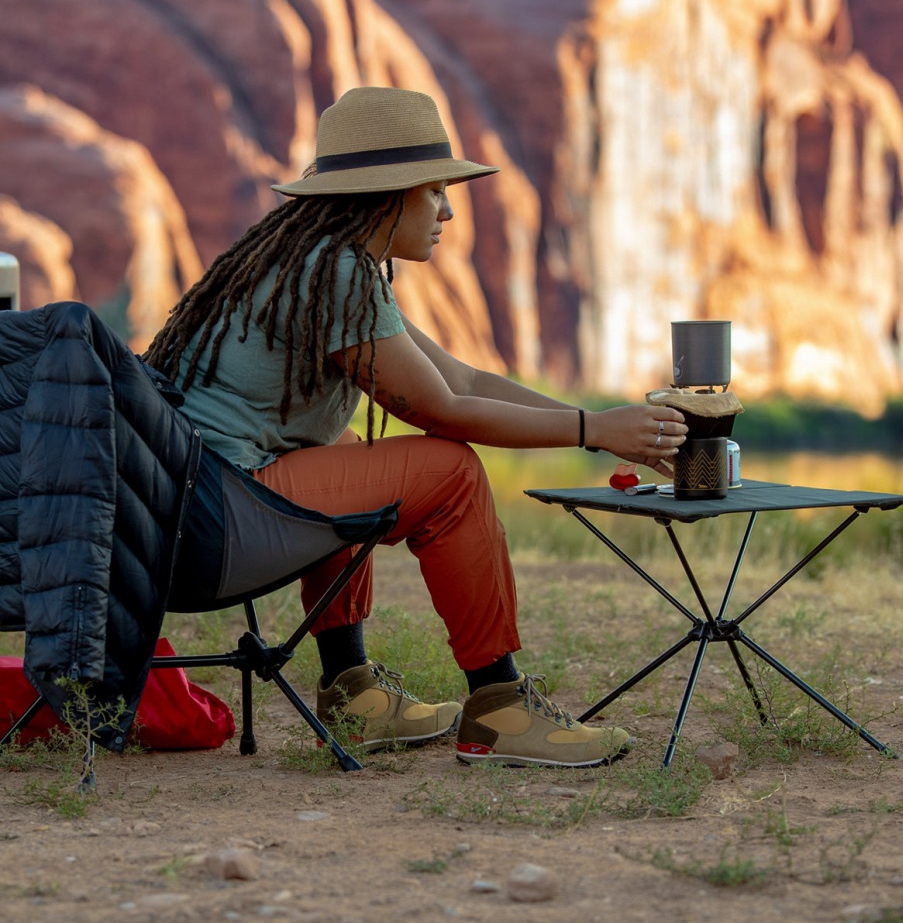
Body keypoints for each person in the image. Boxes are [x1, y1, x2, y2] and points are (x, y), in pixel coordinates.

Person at [144, 87, 688, 769]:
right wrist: (592, 428)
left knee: (341, 452)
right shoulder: (335, 270)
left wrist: (605, 427)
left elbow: (462, 381)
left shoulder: (322, 262)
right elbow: (439, 412)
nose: (448, 209)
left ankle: (354, 695)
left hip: (187, 517)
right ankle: (500, 708)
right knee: (450, 471)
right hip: (210, 524)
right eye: (434, 191)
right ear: (388, 194)